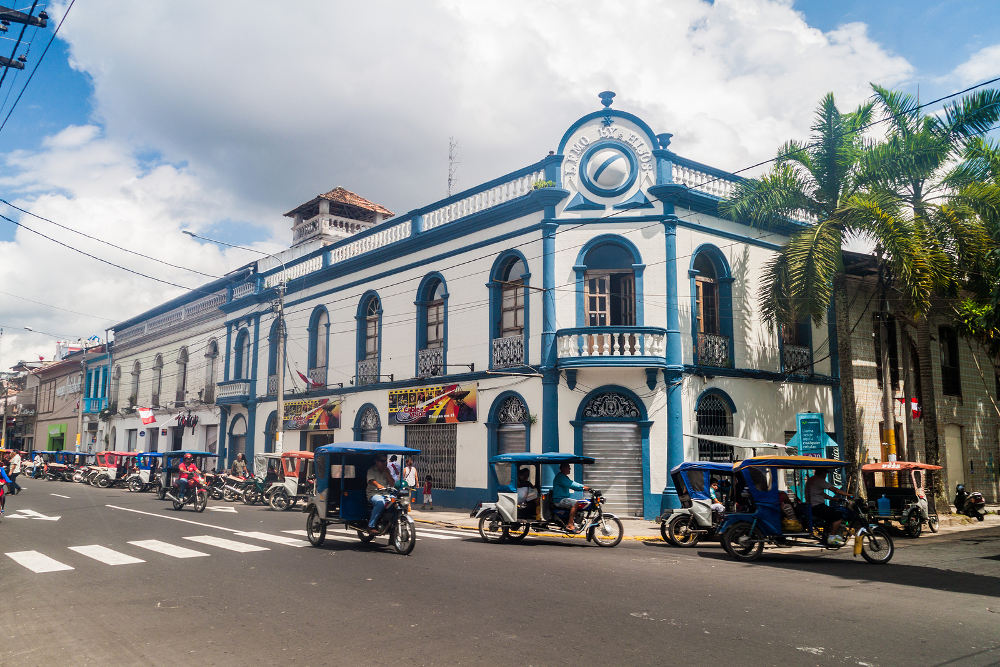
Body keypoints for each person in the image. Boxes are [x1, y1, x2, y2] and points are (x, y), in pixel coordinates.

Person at [805, 470, 850, 546]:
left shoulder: (812, 479)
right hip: (818, 507)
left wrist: (834, 499)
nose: (826, 476)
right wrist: (849, 495)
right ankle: (832, 538)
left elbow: (821, 494)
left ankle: (826, 535)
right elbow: (835, 490)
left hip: (813, 506)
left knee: (832, 512)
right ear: (822, 473)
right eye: (825, 473)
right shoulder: (819, 480)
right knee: (838, 516)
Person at [552, 462, 589, 531]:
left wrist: (583, 488)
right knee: (576, 503)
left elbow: (572, 483)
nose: (570, 469)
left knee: (581, 502)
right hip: (559, 500)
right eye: (568, 467)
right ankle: (570, 524)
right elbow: (572, 484)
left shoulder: (564, 477)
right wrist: (583, 487)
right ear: (563, 468)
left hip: (563, 499)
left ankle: (576, 521)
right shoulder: (560, 477)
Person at [366, 455, 395, 534]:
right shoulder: (371, 470)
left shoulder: (387, 470)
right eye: (382, 461)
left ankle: (392, 523)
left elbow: (392, 484)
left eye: (385, 461)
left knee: (397, 501)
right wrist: (378, 485)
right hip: (374, 493)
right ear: (376, 461)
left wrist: (387, 473)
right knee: (380, 502)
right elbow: (371, 480)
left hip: (386, 493)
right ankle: (371, 526)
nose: (384, 463)